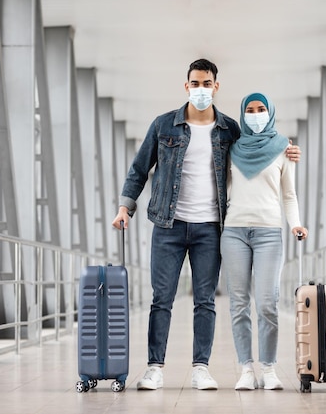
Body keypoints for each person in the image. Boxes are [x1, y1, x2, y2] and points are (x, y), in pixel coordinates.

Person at [111, 59, 300, 391]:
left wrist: (288, 150)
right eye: (195, 84)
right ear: (187, 86)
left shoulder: (229, 130)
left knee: (205, 301)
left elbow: (258, 148)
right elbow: (139, 169)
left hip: (211, 227)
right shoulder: (163, 125)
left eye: (207, 84)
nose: (201, 90)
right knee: (162, 298)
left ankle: (201, 367)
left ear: (216, 86)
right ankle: (155, 367)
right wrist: (126, 207)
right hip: (168, 225)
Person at [220, 92, 308, 391]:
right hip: (234, 232)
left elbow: (289, 194)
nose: (255, 114)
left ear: (270, 113)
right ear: (242, 115)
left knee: (268, 303)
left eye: (261, 109)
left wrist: (295, 223)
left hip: (269, 232)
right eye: (250, 109)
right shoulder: (231, 150)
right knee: (239, 304)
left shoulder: (284, 149)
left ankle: (268, 369)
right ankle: (246, 369)